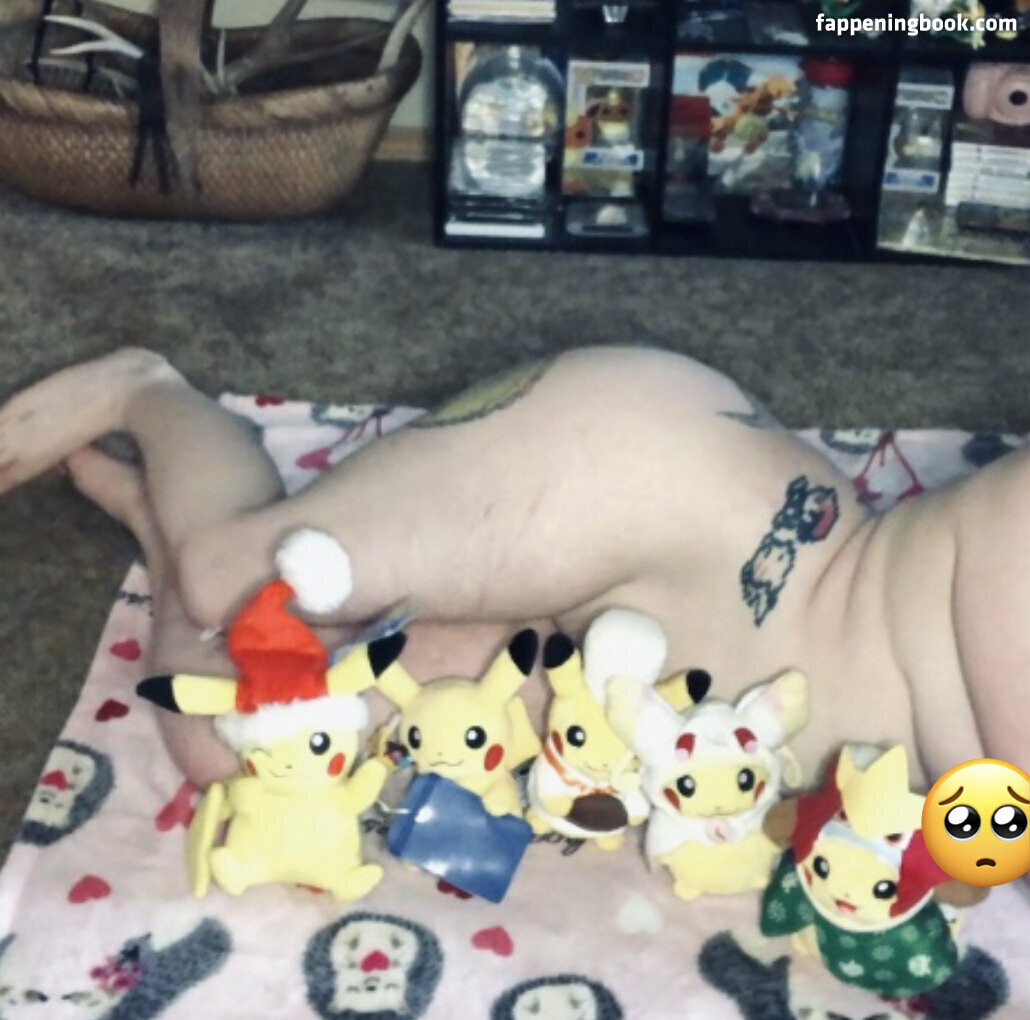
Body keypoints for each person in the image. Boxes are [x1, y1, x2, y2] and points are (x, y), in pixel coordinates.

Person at [0, 346, 1023, 790]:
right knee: (233, 575)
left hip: (626, 687)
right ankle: (147, 393)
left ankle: (167, 521)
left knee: (234, 745)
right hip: (668, 491)